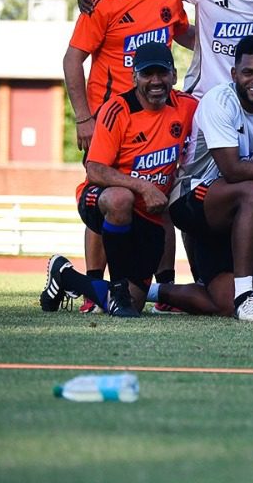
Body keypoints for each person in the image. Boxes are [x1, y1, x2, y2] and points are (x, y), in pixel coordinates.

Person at [62, 0, 191, 299]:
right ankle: (93, 285)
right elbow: (73, 60)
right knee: (107, 197)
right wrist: (84, 117)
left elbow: (184, 34)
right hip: (108, 116)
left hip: (156, 111)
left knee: (161, 191)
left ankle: (163, 286)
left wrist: (223, 43)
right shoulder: (102, 0)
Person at [42, 42, 197, 317]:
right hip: (101, 199)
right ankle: (118, 288)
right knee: (119, 198)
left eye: (162, 73)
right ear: (134, 77)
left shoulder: (187, 107)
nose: (156, 81)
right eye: (147, 74)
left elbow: (223, 112)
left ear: (174, 75)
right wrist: (143, 186)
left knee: (135, 306)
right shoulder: (117, 109)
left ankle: (65, 275)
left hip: (148, 213)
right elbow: (95, 170)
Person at [155, 35, 253, 321]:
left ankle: (153, 291)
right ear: (234, 74)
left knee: (221, 304)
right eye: (248, 72)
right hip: (191, 199)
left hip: (230, 210)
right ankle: (245, 295)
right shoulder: (219, 100)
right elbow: (232, 170)